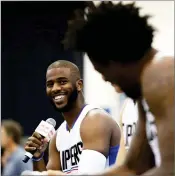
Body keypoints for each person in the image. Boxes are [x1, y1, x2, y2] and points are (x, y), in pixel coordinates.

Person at [48, 2, 173, 176]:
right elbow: (133, 168)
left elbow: (170, 170)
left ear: (116, 59)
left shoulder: (163, 74)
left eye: (102, 71)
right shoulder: (143, 95)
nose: (106, 79)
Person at [23, 60, 121, 175]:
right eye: (50, 84)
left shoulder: (95, 120)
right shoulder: (57, 137)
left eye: (62, 82)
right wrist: (37, 158)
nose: (55, 88)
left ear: (79, 85)